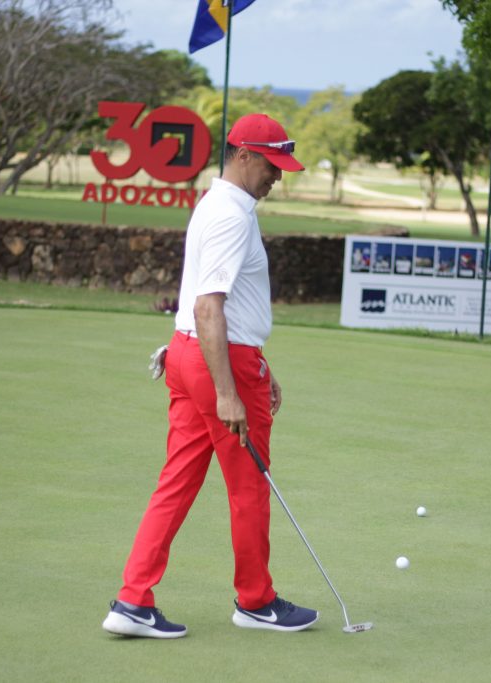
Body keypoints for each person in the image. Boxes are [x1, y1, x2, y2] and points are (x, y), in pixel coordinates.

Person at [102, 114, 314, 640]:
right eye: (272, 165)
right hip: (219, 362)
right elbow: (207, 307)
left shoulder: (216, 204)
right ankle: (256, 601)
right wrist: (229, 392)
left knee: (176, 482)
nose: (278, 176)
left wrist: (258, 364)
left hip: (192, 354)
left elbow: (222, 305)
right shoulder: (232, 216)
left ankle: (132, 600)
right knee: (249, 488)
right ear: (243, 155)